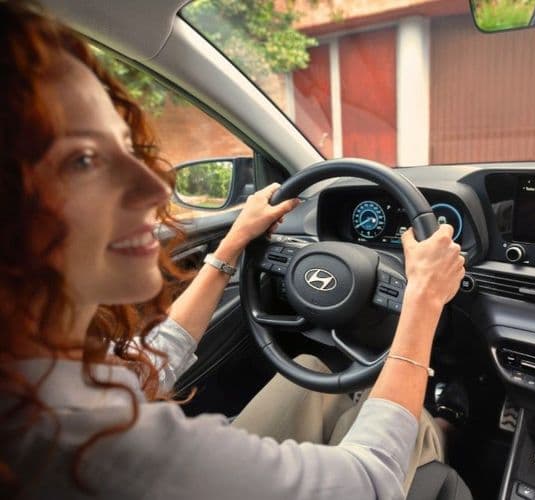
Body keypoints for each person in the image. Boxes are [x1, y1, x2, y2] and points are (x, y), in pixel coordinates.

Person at [0, 2, 465, 499]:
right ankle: (445, 429)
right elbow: (371, 480)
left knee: (310, 373)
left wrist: (232, 245)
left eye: (128, 150)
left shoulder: (46, 385)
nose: (156, 188)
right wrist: (422, 299)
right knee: (419, 441)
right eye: (84, 160)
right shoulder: (97, 446)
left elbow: (143, 369)